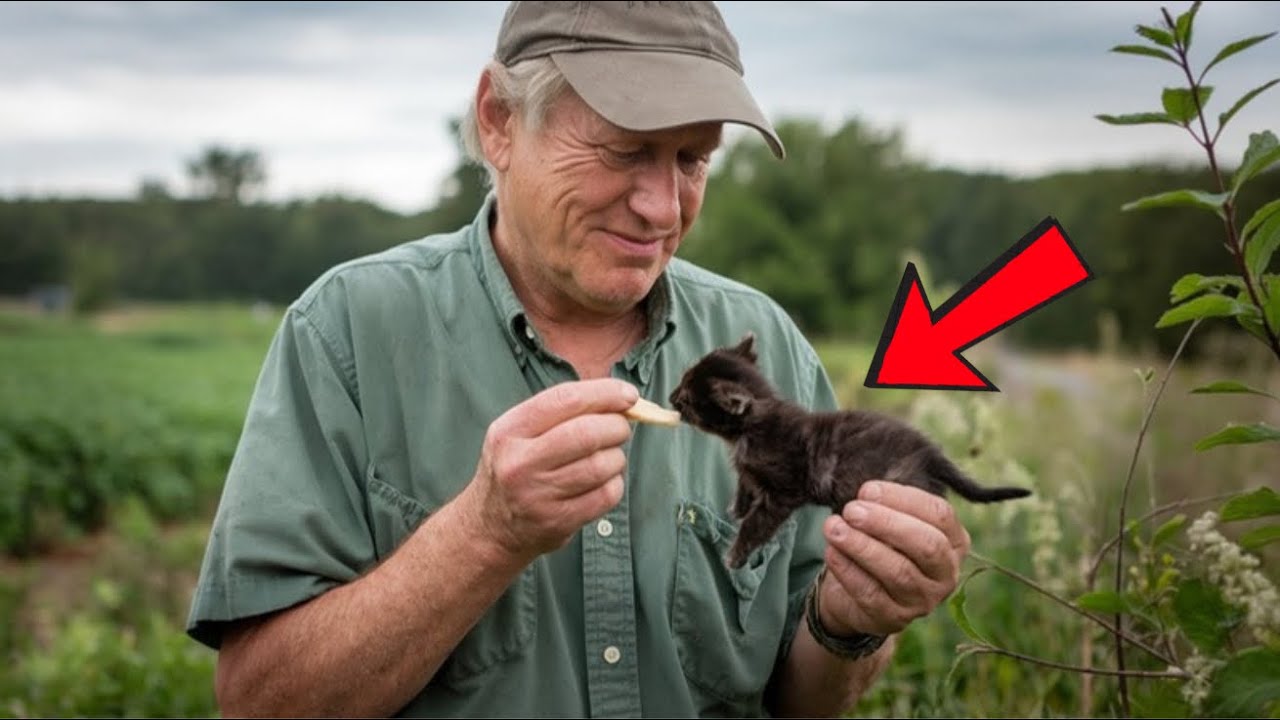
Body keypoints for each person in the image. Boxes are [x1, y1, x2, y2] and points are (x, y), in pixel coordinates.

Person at [187, 1, 972, 716]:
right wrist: (484, 535)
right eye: (626, 150)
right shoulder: (348, 332)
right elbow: (259, 702)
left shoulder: (760, 343)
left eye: (692, 160)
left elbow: (802, 700)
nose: (663, 208)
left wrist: (849, 622)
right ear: (498, 120)